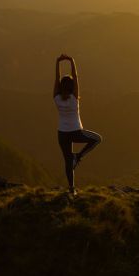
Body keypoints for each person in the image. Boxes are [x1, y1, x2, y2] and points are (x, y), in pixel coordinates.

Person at [53, 54, 102, 195]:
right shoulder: (74, 98)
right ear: (72, 86)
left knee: (68, 162)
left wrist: (58, 62)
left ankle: (72, 189)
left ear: (61, 86)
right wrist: (71, 60)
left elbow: (56, 79)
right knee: (97, 139)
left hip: (62, 134)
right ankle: (79, 156)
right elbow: (76, 76)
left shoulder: (56, 98)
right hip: (76, 132)